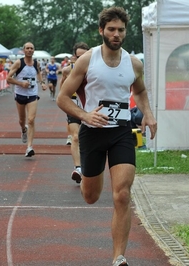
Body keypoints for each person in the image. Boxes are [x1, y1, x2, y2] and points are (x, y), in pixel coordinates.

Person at [57, 7, 157, 266]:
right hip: (92, 132)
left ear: (126, 32)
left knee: (121, 194)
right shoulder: (87, 60)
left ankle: (118, 257)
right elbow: (62, 97)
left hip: (122, 133)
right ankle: (86, 179)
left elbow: (141, 91)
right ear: (101, 30)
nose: (116, 34)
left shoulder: (133, 63)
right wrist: (85, 116)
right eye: (111, 29)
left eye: (120, 30)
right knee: (91, 196)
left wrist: (148, 114)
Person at [6, 42, 47, 157]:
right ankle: (23, 130)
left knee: (31, 119)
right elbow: (8, 79)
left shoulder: (36, 63)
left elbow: (39, 73)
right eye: (27, 48)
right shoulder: (19, 63)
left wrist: (42, 83)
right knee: (22, 121)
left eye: (31, 48)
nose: (29, 50)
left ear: (34, 50)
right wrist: (20, 83)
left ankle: (29, 147)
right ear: (24, 50)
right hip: (20, 94)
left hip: (32, 94)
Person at [60, 42, 90, 183]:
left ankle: (88, 166)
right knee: (76, 137)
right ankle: (78, 168)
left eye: (85, 56)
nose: (82, 60)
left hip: (89, 107)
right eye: (79, 57)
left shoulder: (94, 70)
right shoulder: (67, 70)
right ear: (74, 57)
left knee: (88, 138)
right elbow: (62, 91)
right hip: (73, 106)